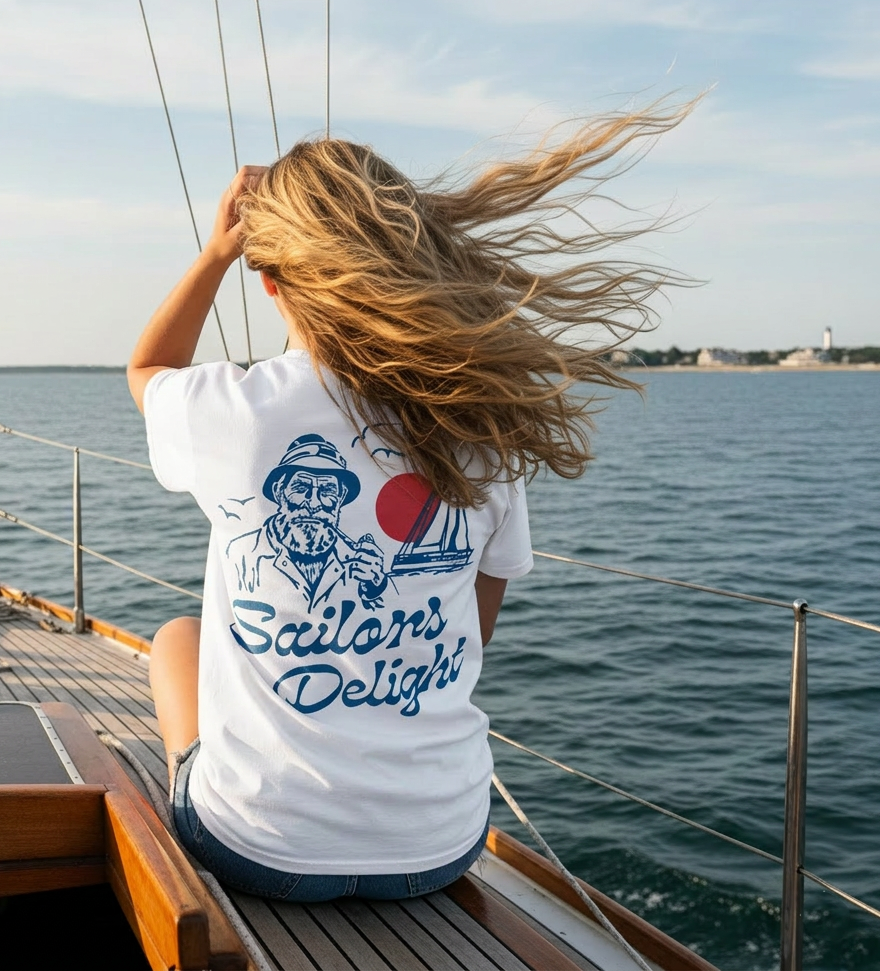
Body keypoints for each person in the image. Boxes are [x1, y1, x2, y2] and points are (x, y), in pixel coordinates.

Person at [128, 104, 692, 902]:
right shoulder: (480, 422)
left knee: (177, 638)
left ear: (270, 277)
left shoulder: (241, 411)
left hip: (261, 850)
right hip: (439, 847)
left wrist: (217, 251)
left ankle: (201, 783)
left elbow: (147, 369)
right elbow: (474, 632)